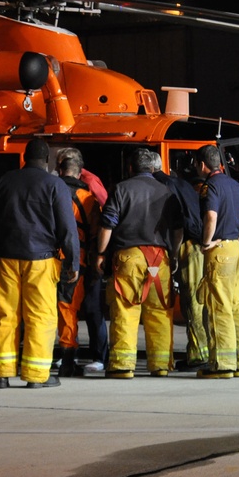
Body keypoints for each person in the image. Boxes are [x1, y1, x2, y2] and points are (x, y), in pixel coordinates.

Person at [0, 138, 80, 388]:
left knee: (4, 314)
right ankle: (36, 376)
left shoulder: (6, 181)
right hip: (40, 259)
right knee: (40, 316)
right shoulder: (54, 184)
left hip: (4, 258)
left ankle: (1, 375)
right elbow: (67, 228)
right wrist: (73, 262)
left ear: (24, 158)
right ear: (47, 161)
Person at [95, 148, 183, 378]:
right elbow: (177, 230)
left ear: (131, 168)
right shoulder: (167, 191)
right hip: (160, 259)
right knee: (160, 312)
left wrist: (101, 253)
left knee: (126, 310)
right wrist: (172, 255)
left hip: (129, 258)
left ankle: (123, 366)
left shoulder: (122, 189)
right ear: (152, 168)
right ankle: (161, 365)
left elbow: (108, 225)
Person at [195, 145, 239, 378]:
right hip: (236, 250)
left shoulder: (211, 186)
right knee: (236, 307)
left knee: (218, 307)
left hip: (220, 252)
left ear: (202, 165)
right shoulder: (234, 185)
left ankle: (222, 365)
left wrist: (206, 242)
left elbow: (211, 217)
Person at [150, 151, 208, 372]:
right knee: (194, 301)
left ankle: (199, 355)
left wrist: (173, 254)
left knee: (192, 302)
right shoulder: (179, 183)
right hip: (197, 245)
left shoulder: (162, 187)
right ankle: (200, 351)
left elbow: (177, 225)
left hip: (189, 246)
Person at [54, 148, 106, 377]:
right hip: (79, 259)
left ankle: (62, 353)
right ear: (78, 173)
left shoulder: (50, 192)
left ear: (60, 169)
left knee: (54, 309)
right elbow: (96, 232)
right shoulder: (88, 197)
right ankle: (69, 356)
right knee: (74, 308)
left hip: (50, 258)